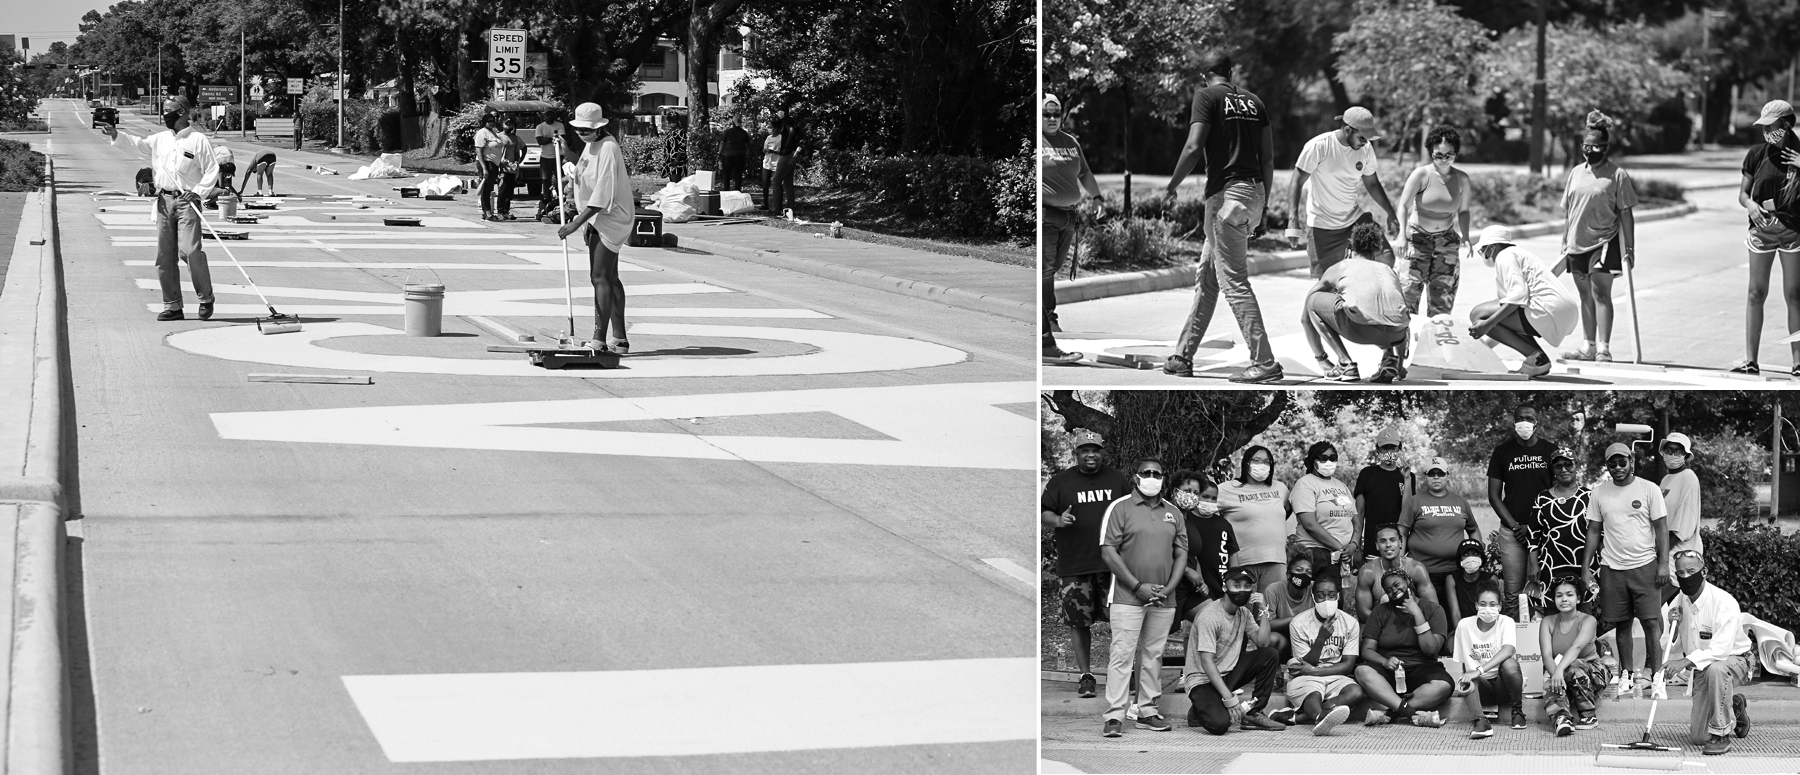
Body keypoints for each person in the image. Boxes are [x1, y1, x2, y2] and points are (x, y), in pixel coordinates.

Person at [1161, 54, 1281, 384]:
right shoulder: (1255, 102)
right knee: (1209, 277)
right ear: (1231, 73)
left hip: (1226, 198)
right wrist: (1265, 207)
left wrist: (1172, 187)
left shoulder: (1206, 96)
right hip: (1254, 193)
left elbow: (1193, 146)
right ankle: (1182, 356)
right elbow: (1267, 158)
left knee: (1234, 282)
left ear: (1204, 74)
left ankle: (1265, 362)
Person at [101, 95, 219, 322]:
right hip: (164, 202)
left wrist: (199, 192)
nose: (165, 115)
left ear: (183, 112)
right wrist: (116, 134)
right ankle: (173, 306)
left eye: (169, 111)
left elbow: (211, 170)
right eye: (164, 110)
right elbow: (139, 146)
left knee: (190, 250)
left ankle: (206, 297)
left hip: (187, 202)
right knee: (165, 256)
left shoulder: (198, 140)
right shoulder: (161, 139)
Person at [1098, 458, 1188, 738]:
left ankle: (1147, 711)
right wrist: (1137, 586)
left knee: (1153, 655)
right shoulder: (1120, 507)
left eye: (1157, 473)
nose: (1152, 477)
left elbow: (1181, 553)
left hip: (1164, 599)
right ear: (1135, 477)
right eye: (1146, 473)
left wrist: (1169, 587)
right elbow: (1108, 551)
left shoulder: (1173, 512)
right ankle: (1114, 715)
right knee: (1122, 655)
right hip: (1127, 596)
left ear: (1164, 477)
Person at [1041, 430, 1133, 699]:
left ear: (1102, 452)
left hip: (1112, 565)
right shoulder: (1061, 481)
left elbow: (1131, 511)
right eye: (1085, 450)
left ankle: (1122, 674)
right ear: (1076, 453)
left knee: (1121, 620)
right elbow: (1044, 511)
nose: (1090, 454)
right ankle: (1086, 675)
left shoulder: (1116, 479)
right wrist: (1058, 521)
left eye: (1095, 449)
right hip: (1075, 565)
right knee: (1078, 623)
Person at [1582, 442, 1670, 698]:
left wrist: (1663, 562)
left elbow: (1662, 528)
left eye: (1623, 462)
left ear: (1632, 460)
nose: (1618, 468)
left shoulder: (1648, 489)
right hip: (1612, 568)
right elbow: (1593, 531)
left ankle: (1657, 677)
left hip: (1644, 566)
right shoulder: (1599, 493)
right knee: (1621, 623)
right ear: (1607, 465)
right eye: (1612, 463)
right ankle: (1626, 676)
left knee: (1651, 623)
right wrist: (1586, 568)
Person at [1557, 110, 1639, 363]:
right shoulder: (1576, 173)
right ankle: (1587, 347)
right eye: (1586, 146)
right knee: (1584, 296)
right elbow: (1569, 211)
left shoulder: (1617, 175)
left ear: (1605, 147)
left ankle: (1604, 347)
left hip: (1604, 241)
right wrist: (1564, 240)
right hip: (1576, 244)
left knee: (1601, 293)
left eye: (1596, 146)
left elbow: (1626, 213)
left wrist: (1630, 248)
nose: (1590, 150)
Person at [554, 103, 635, 352]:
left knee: (598, 277)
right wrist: (567, 154)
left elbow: (603, 193)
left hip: (609, 216)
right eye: (578, 129)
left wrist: (575, 223)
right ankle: (619, 339)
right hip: (596, 216)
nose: (582, 133)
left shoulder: (609, 147)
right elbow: (585, 171)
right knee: (610, 277)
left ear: (599, 127)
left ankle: (598, 339)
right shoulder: (592, 145)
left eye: (587, 130)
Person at [1660, 550, 1755, 756]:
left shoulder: (1724, 602)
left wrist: (1685, 662)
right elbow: (1670, 647)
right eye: (1681, 573)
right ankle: (1735, 707)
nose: (1686, 577)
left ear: (1704, 572)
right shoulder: (1679, 600)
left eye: (1691, 571)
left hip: (1737, 661)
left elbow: (1721, 650)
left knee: (1717, 668)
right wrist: (1673, 626)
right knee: (1698, 737)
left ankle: (1721, 733)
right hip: (1702, 666)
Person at [1287, 106, 1401, 276]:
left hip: (1354, 219)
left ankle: (1365, 295)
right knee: (1328, 284)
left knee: (1385, 258)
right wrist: (1293, 220)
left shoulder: (1365, 149)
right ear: (1347, 130)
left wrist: (1391, 213)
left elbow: (1372, 184)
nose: (1365, 142)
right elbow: (1297, 180)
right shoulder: (1319, 146)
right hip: (1323, 225)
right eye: (1362, 137)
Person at [1734, 99, 1800, 375]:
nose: (1767, 133)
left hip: (1793, 233)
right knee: (1755, 293)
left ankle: (1798, 363)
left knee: (1795, 295)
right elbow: (1743, 195)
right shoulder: (1756, 154)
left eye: (1772, 127)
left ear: (1785, 126)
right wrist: (1750, 205)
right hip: (1761, 232)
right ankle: (1751, 361)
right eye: (1764, 128)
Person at [1302, 221, 1412, 383]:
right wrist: (1401, 368)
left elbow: (1306, 313)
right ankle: (1391, 360)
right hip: (1396, 334)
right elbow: (1400, 312)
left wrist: (1320, 358)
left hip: (1360, 330)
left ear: (1349, 250)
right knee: (1387, 306)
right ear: (1376, 252)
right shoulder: (1388, 270)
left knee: (1313, 300)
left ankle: (1345, 364)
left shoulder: (1342, 266)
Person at [1182, 568, 1287, 735]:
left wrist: (1264, 610)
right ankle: (1199, 709)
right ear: (1225, 587)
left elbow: (1263, 642)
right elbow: (1206, 661)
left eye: (1247, 586)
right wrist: (1230, 699)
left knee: (1269, 655)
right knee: (1220, 725)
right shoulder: (1209, 615)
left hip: (1228, 672)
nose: (1242, 590)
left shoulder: (1243, 613)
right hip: (1202, 679)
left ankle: (1253, 713)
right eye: (1236, 585)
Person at [1468, 225, 1580, 378]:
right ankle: (1537, 359)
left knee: (1479, 313)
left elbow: (1517, 297)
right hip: (1564, 312)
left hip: (1548, 310)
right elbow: (1506, 319)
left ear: (1492, 247)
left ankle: (1536, 359)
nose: (1482, 254)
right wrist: (1486, 344)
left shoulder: (1504, 256)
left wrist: (1487, 324)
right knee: (1497, 310)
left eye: (1483, 249)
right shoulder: (1520, 254)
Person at [1040, 93, 1102, 365]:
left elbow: (1085, 173)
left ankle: (1047, 319)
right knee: (1043, 270)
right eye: (1046, 113)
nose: (1052, 118)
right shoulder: (1036, 142)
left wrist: (1097, 197)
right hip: (1045, 215)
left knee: (1051, 270)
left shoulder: (1070, 142)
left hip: (1068, 217)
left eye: (1056, 113)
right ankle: (1046, 331)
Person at [1355, 568, 1453, 727]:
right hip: (1390, 671)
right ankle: (1413, 715)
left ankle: (1390, 713)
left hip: (1423, 668)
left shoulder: (1433, 610)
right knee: (1362, 671)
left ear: (1408, 582)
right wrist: (1385, 661)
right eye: (1389, 589)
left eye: (1396, 585)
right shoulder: (1381, 611)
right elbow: (1367, 650)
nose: (1394, 591)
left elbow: (1431, 650)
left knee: (1444, 685)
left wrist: (1417, 614)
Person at [1395, 126, 1473, 317]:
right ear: (1431, 153)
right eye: (1439, 155)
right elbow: (1403, 206)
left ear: (1456, 153)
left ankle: (1436, 345)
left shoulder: (1462, 179)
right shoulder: (1421, 175)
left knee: (1442, 304)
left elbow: (1464, 211)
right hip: (1417, 239)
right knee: (1407, 298)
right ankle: (1402, 345)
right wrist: (1401, 236)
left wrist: (1466, 236)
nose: (1444, 159)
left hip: (1446, 242)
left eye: (1449, 155)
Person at [1488, 405, 1556, 620]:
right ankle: (1512, 642)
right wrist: (1516, 526)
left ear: (1537, 422)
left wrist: (1533, 526)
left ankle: (1541, 642)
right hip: (1512, 533)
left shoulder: (1550, 450)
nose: (1524, 422)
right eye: (1520, 418)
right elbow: (1494, 496)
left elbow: (1556, 492)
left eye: (1529, 418)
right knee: (1512, 593)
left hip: (1543, 532)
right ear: (1514, 422)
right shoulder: (1502, 452)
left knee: (1541, 588)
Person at [1274, 574, 1362, 736]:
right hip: (1305, 678)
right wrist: (1321, 639)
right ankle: (1318, 716)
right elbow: (1305, 664)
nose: (1327, 600)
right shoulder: (1299, 623)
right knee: (1313, 693)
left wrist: (1315, 671)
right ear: (1313, 598)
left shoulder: (1350, 623)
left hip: (1333, 675)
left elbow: (1348, 665)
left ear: (1338, 596)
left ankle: (1299, 717)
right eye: (1321, 596)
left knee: (1355, 692)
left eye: (1331, 595)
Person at [1401, 456, 1480, 614]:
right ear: (1426, 477)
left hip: (1456, 570)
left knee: (1458, 614)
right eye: (1432, 473)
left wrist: (1477, 553)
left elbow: (1473, 529)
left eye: (1440, 473)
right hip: (1424, 571)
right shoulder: (1415, 502)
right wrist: (1401, 565)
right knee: (1431, 615)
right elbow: (1402, 533)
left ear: (1447, 475)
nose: (1436, 477)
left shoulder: (1460, 502)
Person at [1529, 447, 1597, 615]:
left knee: (1584, 614)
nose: (1564, 469)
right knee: (1553, 615)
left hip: (1583, 565)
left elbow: (1598, 534)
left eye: (1568, 464)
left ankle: (1584, 643)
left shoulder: (1590, 497)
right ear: (1553, 469)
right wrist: (1533, 564)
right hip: (1551, 566)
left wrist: (1590, 568)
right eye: (1558, 466)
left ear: (1577, 466)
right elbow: (1533, 536)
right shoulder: (1542, 498)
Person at [1453, 581, 1526, 737]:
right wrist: (1468, 681)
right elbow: (1465, 664)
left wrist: (1479, 670)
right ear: (1476, 605)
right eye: (1483, 604)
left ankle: (1517, 712)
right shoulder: (1464, 625)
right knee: (1467, 676)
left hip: (1504, 685)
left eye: (1493, 604)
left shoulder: (1506, 622)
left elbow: (1508, 650)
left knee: (1510, 664)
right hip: (1481, 687)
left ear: (1499, 606)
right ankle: (1481, 722)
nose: (1488, 608)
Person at [1540, 576, 1611, 736]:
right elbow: (1546, 655)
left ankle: (1588, 716)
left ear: (1578, 598)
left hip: (1594, 673)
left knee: (1574, 666)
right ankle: (1561, 719)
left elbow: (1576, 647)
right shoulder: (1547, 622)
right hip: (1565, 674)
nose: (1564, 599)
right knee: (1549, 683)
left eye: (1569, 594)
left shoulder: (1588, 620)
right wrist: (1555, 677)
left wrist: (1559, 671)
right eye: (1559, 595)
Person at [1171, 471, 1237, 634]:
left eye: (1196, 493)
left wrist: (1200, 580)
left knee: (1222, 624)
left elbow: (1194, 555)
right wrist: (1187, 571)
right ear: (1175, 491)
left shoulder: (1188, 520)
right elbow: (1159, 553)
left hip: (1191, 590)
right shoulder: (1166, 516)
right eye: (1187, 491)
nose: (1192, 496)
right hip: (1171, 587)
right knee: (1156, 639)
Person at [1218, 445, 1291, 591]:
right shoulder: (1227, 489)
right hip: (1242, 562)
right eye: (1256, 460)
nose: (1262, 465)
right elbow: (1206, 513)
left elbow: (1286, 511)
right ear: (1246, 463)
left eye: (1266, 461)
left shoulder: (1280, 488)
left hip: (1276, 562)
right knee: (1243, 611)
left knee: (1270, 611)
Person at [1288, 441, 1359, 578]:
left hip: (1340, 555)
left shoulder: (1341, 486)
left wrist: (1354, 545)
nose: (1328, 461)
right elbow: (1310, 525)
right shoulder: (1305, 484)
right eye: (1323, 458)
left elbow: (1355, 520)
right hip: (1315, 554)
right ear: (1313, 460)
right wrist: (1340, 547)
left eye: (1332, 458)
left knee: (1336, 598)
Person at [1355, 425, 1414, 563]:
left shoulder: (1408, 476)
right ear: (1378, 449)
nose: (1389, 451)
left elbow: (1407, 513)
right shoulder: (1367, 474)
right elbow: (1359, 513)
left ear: (1399, 448)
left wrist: (1407, 479)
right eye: (1385, 447)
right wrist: (1357, 547)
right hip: (1373, 547)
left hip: (1399, 546)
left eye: (1392, 448)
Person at [1356, 524, 1438, 619]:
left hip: (1411, 623)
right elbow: (1362, 613)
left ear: (1400, 543)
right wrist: (1390, 623)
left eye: (1392, 540)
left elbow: (1433, 607)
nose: (1388, 545)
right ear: (1377, 546)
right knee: (1385, 599)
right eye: (1383, 541)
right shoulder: (1368, 572)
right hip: (1381, 625)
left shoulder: (1416, 569)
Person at [1660, 433, 1702, 605]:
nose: (1672, 455)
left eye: (1678, 452)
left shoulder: (1689, 478)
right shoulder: (1665, 479)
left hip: (1678, 553)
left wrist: (1660, 555)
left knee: (1654, 606)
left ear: (1685, 456)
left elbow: (1682, 525)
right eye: (1669, 450)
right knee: (1666, 610)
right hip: (1664, 550)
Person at [1260, 552, 1315, 662]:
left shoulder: (1315, 589)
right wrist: (1295, 619)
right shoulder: (1274, 590)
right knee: (1271, 639)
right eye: (1299, 570)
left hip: (1308, 639)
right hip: (1284, 638)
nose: (1304, 574)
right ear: (1288, 574)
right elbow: (1267, 623)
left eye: (1308, 572)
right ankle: (1274, 671)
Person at [1443, 538, 1496, 627]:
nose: (1470, 557)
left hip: (1485, 627)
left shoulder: (1491, 579)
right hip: (1462, 628)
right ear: (1460, 559)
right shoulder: (1452, 580)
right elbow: (1455, 614)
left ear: (1482, 558)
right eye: (1466, 554)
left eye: (1475, 554)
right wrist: (1462, 636)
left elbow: (1490, 613)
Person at [474, 113, 516, 221]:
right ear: (484, 122)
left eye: (493, 120)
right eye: (489, 121)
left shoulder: (493, 133)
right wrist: (484, 168)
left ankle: (486, 212)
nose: (491, 123)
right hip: (486, 162)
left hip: (494, 163)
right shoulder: (482, 133)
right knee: (486, 189)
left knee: (489, 188)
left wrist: (501, 162)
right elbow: (479, 151)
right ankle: (488, 213)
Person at [768, 110, 804, 213]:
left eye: (780, 111)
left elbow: (792, 132)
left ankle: (776, 209)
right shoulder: (789, 122)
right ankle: (790, 209)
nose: (778, 113)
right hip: (792, 153)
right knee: (788, 183)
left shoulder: (788, 122)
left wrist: (786, 149)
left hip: (787, 154)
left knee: (776, 180)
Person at [534, 110, 568, 200]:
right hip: (545, 157)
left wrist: (549, 139)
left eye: (551, 114)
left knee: (560, 179)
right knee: (545, 179)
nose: (549, 116)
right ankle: (546, 198)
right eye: (547, 114)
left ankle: (560, 197)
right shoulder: (540, 127)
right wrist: (552, 139)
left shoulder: (559, 125)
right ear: (544, 116)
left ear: (555, 116)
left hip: (558, 156)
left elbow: (561, 138)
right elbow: (540, 141)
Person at [718, 114, 751, 191]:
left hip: (728, 156)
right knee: (738, 174)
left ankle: (726, 190)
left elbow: (722, 143)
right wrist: (748, 154)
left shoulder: (727, 132)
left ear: (732, 123)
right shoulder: (744, 133)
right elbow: (748, 144)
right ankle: (737, 191)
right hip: (740, 156)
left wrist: (719, 153)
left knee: (726, 174)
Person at [661, 109, 689, 182]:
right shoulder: (670, 133)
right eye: (669, 121)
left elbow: (682, 148)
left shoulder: (681, 132)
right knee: (672, 185)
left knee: (675, 185)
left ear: (677, 121)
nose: (671, 123)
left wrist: (676, 161)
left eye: (673, 120)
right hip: (670, 162)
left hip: (677, 163)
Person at [760, 117, 782, 210]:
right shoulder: (768, 138)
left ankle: (777, 205)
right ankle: (765, 204)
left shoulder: (781, 138)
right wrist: (765, 150)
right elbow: (764, 149)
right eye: (768, 127)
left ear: (776, 128)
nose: (769, 129)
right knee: (765, 184)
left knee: (776, 185)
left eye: (770, 127)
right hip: (767, 163)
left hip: (776, 164)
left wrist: (774, 151)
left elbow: (783, 152)